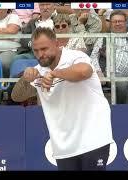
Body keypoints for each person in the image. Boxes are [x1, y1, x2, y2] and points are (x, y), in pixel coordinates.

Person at [11, 27, 114, 170]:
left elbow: (84, 71)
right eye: (36, 51)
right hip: (63, 145)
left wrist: (54, 74)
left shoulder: (75, 56)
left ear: (57, 43)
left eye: (44, 49)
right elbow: (16, 97)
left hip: (93, 137)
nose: (40, 54)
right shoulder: (39, 71)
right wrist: (25, 78)